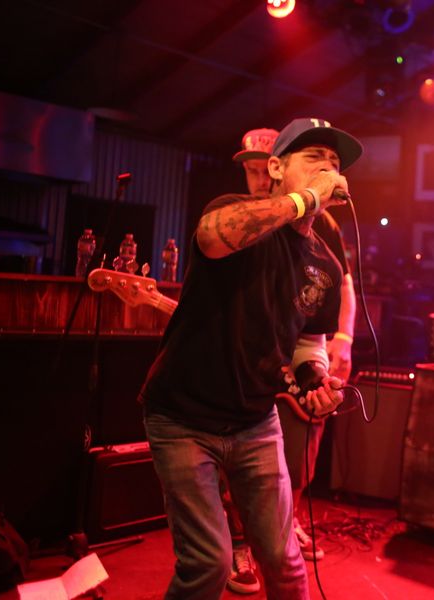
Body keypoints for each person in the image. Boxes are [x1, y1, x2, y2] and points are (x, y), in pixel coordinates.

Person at [139, 117, 362, 599]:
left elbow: (309, 344)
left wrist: (317, 379)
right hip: (182, 417)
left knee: (286, 563)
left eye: (334, 163)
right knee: (208, 561)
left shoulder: (324, 263)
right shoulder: (232, 212)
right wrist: (307, 198)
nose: (328, 169)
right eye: (314, 159)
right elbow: (213, 237)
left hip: (256, 422)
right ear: (276, 168)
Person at [232, 127, 358, 572]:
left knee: (300, 446)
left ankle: (286, 523)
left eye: (259, 170)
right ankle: (240, 539)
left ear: (277, 168)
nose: (256, 180)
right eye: (249, 171)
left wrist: (341, 340)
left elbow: (339, 286)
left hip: (295, 356)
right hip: (245, 375)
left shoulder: (323, 228)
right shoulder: (238, 219)